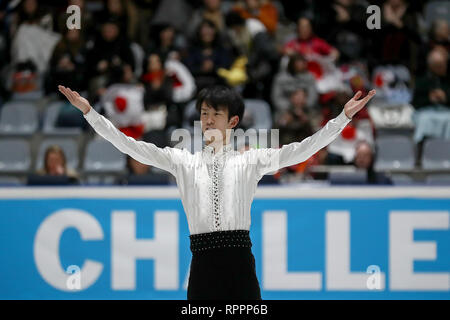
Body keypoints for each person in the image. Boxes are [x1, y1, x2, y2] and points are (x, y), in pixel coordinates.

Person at [58, 83, 375, 300]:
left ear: (233, 121)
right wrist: (91, 114)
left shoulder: (252, 160)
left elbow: (303, 150)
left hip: (239, 263)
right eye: (204, 113)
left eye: (216, 114)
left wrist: (342, 118)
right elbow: (130, 145)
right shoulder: (181, 160)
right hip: (202, 264)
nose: (207, 120)